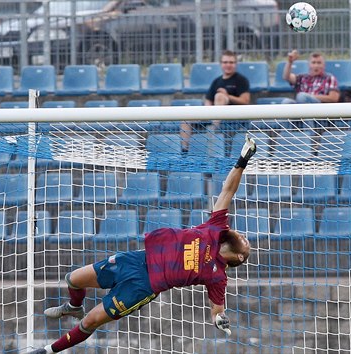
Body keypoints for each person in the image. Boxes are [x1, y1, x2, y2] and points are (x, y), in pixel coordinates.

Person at [28, 136, 258, 354]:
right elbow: (228, 190)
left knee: (92, 320)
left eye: (247, 245)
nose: (245, 237)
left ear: (239, 257)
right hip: (136, 260)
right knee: (73, 279)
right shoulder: (216, 227)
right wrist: (242, 161)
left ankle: (49, 350)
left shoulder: (217, 276)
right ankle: (74, 306)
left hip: (143, 287)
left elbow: (217, 309)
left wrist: (220, 319)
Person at [180, 50, 250, 152]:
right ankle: (184, 152)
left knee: (219, 96)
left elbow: (245, 100)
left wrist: (227, 96)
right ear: (221, 64)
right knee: (185, 120)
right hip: (213, 118)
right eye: (225, 62)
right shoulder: (216, 81)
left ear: (235, 64)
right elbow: (208, 101)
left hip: (234, 120)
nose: (228, 65)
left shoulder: (241, 80)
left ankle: (213, 130)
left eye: (231, 62)